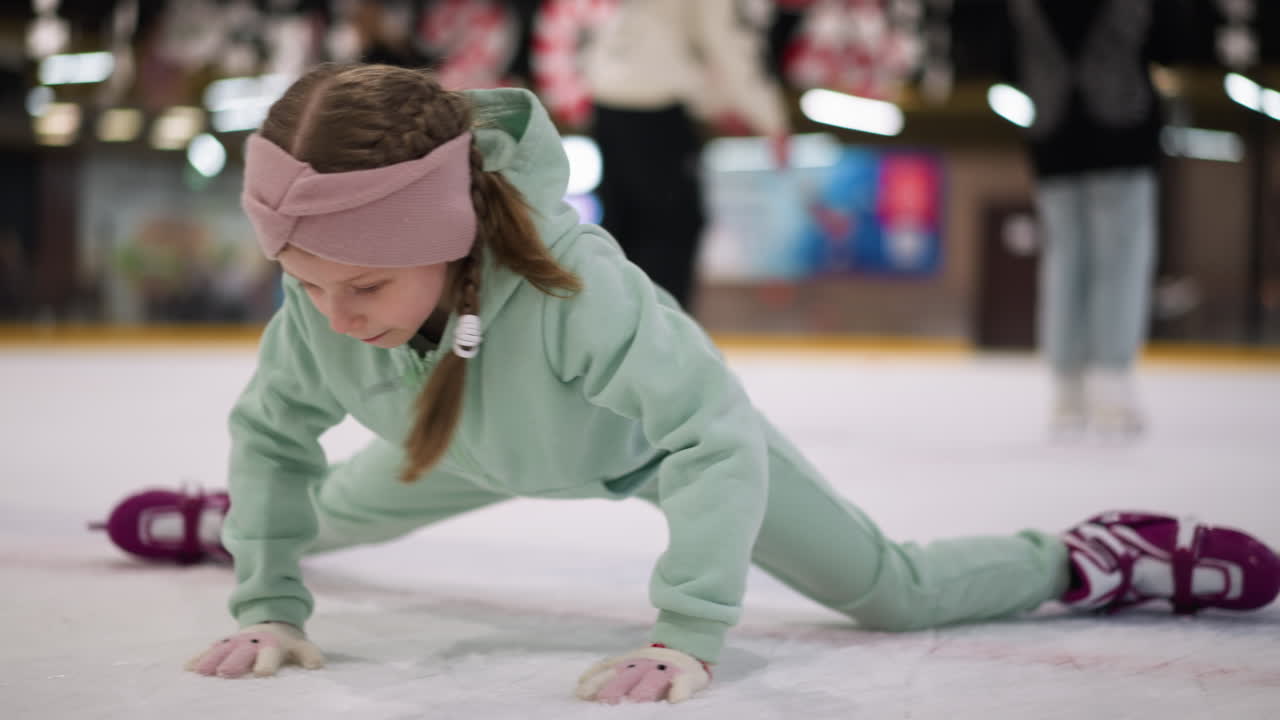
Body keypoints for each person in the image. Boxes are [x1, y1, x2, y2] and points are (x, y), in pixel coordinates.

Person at [120, 64, 1275, 704]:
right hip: (457, 446)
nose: (331, 317)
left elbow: (713, 441)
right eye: (300, 282)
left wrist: (688, 631)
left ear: (451, 229)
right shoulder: (330, 305)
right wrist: (267, 594)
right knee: (292, 513)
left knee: (890, 592)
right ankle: (226, 532)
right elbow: (272, 428)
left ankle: (1085, 555)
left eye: (362, 285)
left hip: (649, 447)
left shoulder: (578, 293)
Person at [1003, 0, 1187, 437]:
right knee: (1118, 259)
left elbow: (1007, 59)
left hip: (1052, 135)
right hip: (1120, 132)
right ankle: (1109, 382)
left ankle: (1067, 387)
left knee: (1065, 260)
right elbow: (1171, 43)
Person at [582, 0, 790, 311]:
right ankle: (661, 340)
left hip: (609, 101)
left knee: (624, 230)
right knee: (672, 230)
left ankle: (610, 335)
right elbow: (724, 40)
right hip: (656, 109)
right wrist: (769, 117)